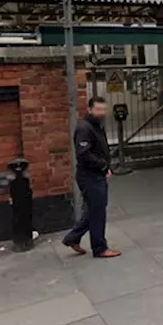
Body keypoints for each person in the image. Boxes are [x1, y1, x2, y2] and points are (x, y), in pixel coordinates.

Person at [62, 96, 122, 258]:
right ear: (89, 110)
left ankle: (72, 238)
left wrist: (105, 168)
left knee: (94, 210)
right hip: (89, 177)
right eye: (98, 109)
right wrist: (102, 166)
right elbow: (84, 155)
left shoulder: (96, 126)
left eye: (103, 109)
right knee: (98, 213)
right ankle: (100, 248)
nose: (101, 113)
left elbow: (99, 150)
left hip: (96, 175)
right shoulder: (85, 128)